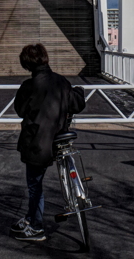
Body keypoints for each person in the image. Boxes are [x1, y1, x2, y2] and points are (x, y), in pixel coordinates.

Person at [10, 43, 86, 242]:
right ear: (46, 59)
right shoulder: (62, 82)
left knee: (36, 186)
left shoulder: (29, 86)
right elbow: (77, 104)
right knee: (45, 178)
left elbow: (19, 110)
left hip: (38, 143)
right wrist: (78, 91)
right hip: (60, 137)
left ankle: (35, 227)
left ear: (26, 65)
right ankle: (32, 217)